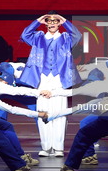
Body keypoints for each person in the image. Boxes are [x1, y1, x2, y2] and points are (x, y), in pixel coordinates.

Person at [19, 11, 82, 157]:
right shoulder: (38, 37)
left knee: (59, 112)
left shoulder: (66, 38)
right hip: (42, 78)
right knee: (43, 111)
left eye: (55, 21)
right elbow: (25, 35)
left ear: (59, 23)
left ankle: (58, 147)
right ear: (46, 22)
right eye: (49, 21)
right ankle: (46, 147)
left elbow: (77, 35)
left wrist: (64, 20)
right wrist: (38, 21)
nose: (52, 23)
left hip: (60, 78)